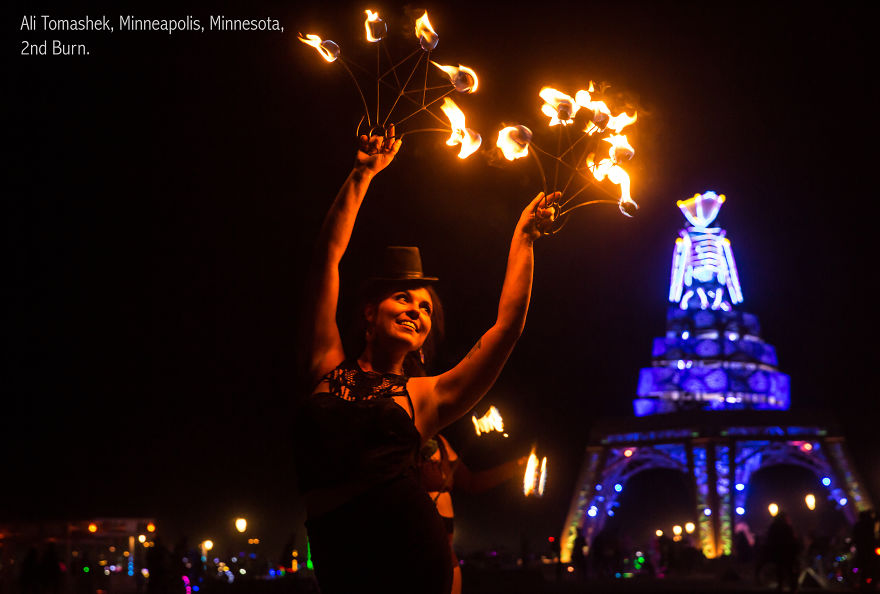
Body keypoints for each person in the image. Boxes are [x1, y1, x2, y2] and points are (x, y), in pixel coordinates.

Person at [293, 126, 558, 594]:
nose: (416, 311)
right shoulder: (324, 363)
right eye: (403, 298)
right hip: (338, 557)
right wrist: (362, 173)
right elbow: (326, 260)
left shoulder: (427, 395)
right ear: (370, 313)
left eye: (426, 309)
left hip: (411, 553)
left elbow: (506, 329)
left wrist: (524, 240)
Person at [420, 434, 528, 594]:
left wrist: (516, 466)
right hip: (424, 527)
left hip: (446, 533)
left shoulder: (441, 442)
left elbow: (471, 482)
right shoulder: (408, 439)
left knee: (452, 580)